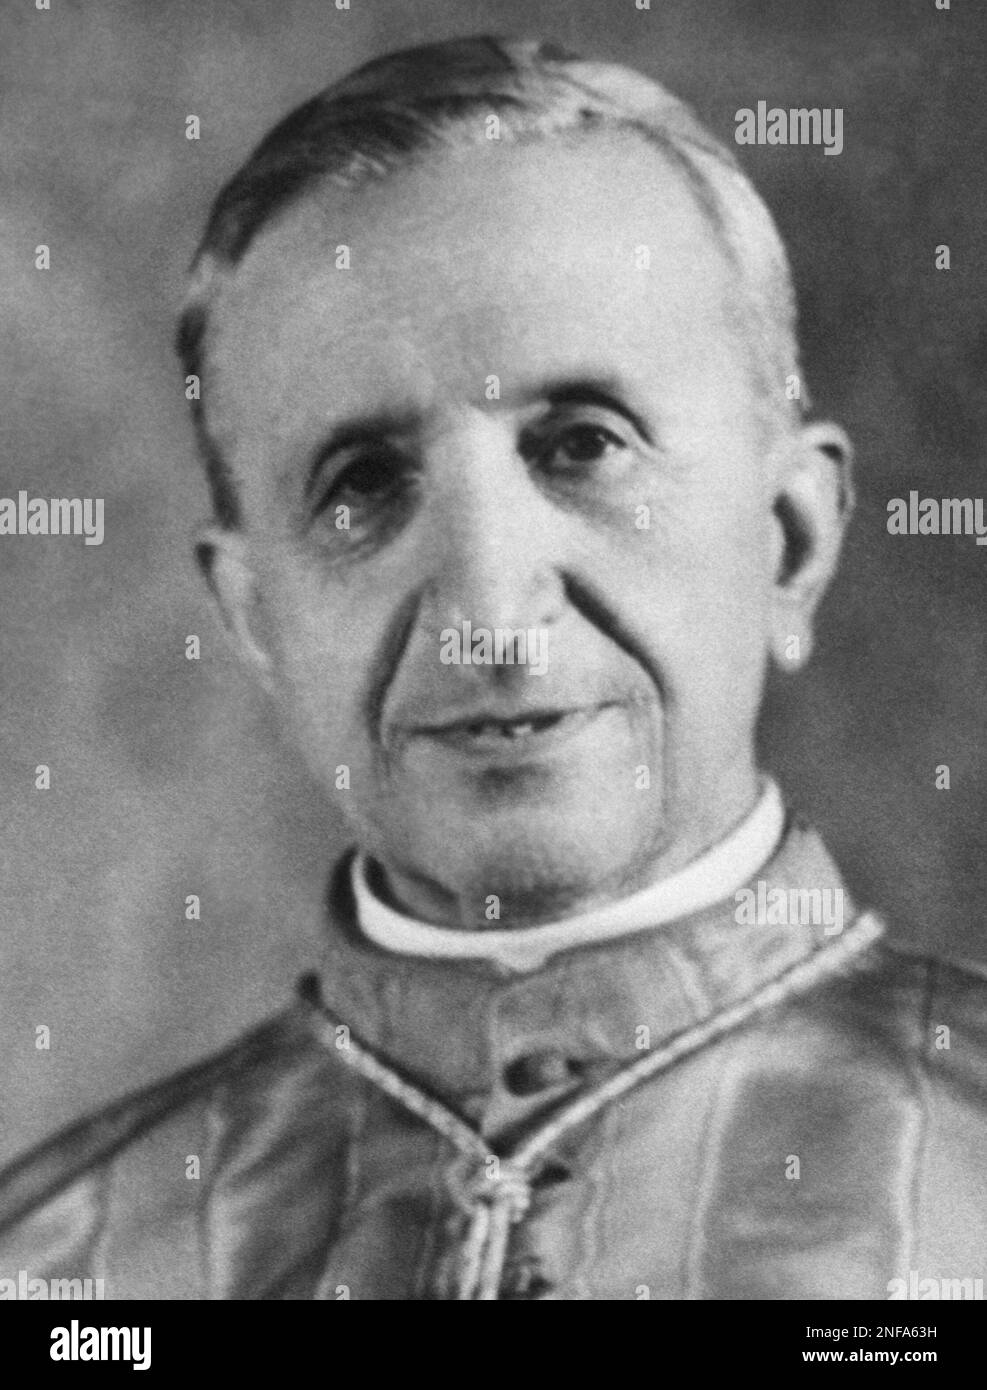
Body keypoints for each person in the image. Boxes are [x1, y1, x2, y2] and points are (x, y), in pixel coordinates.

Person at [1, 35, 984, 1302]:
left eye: (584, 444)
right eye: (362, 486)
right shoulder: (59, 1272)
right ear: (254, 621)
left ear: (791, 539)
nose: (489, 610)